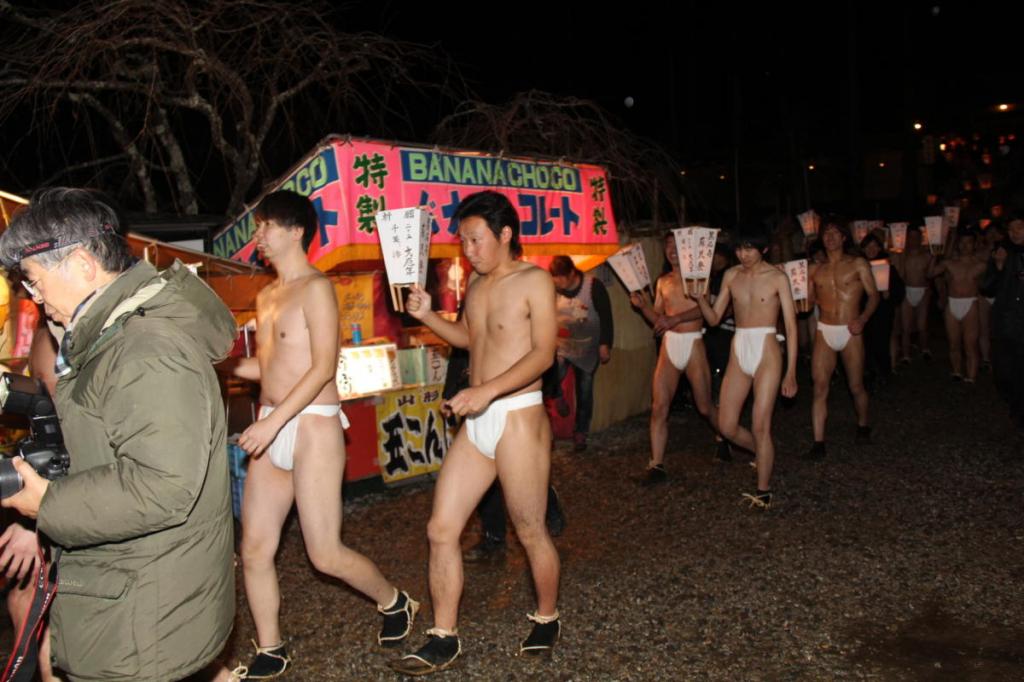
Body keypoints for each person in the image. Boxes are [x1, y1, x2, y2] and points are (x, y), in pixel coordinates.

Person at [0, 187, 236, 680]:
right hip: (135, 592)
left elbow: (162, 485)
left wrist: (48, 504)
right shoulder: (113, 339)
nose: (34, 297)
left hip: (142, 614)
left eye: (36, 281)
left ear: (84, 265)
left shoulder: (145, 348)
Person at [226, 190, 417, 679]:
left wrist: (271, 422)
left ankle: (395, 601)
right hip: (273, 420)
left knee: (324, 553)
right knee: (254, 548)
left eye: (266, 226)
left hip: (311, 422)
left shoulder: (316, 288)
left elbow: (322, 367)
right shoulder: (266, 295)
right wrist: (218, 365)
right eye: (258, 227)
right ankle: (271, 647)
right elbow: (266, 366)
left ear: (294, 231)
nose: (259, 237)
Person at [392, 191, 561, 675]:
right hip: (479, 415)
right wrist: (428, 317)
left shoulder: (535, 281)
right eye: (463, 240)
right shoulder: (478, 285)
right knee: (440, 528)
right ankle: (444, 635)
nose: (467, 249)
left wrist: (485, 391)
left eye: (475, 238)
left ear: (505, 234)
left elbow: (543, 355)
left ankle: (546, 616)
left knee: (529, 529)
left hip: (518, 417)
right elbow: (472, 339)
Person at [694, 228, 798, 509]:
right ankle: (762, 453)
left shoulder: (777, 277)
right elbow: (714, 319)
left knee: (760, 423)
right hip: (739, 345)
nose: (743, 254)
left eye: (749, 248)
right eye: (739, 249)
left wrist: (791, 371)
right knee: (726, 425)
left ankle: (763, 491)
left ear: (763, 249)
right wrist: (701, 299)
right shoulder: (731, 275)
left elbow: (790, 325)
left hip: (767, 347)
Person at [629, 232, 727, 484]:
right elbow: (659, 319)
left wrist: (677, 319)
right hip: (669, 345)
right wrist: (643, 308)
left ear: (686, 249)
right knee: (659, 406)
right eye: (668, 246)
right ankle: (656, 464)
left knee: (704, 406)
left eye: (676, 245)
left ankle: (724, 436)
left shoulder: (698, 277)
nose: (672, 250)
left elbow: (706, 311)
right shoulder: (663, 281)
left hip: (693, 343)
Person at [805, 220, 879, 458]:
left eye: (835, 232)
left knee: (855, 385)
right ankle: (818, 443)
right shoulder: (815, 269)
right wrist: (803, 300)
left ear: (844, 238)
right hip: (825, 329)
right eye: (827, 233)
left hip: (850, 329)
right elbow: (805, 302)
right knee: (819, 387)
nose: (830, 237)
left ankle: (863, 425)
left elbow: (874, 295)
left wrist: (863, 319)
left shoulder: (857, 264)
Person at [548, 255, 614, 451]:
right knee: (552, 374)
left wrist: (605, 344)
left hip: (587, 349)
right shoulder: (552, 290)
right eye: (554, 277)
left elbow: (606, 316)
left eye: (560, 277)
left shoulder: (593, 286)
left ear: (572, 273)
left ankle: (580, 432)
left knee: (584, 390)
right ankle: (557, 396)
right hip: (562, 346)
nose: (557, 281)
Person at [980, 212, 1024, 429]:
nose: (1015, 233)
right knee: (1004, 370)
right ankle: (1013, 400)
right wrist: (998, 266)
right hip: (1005, 320)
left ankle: (1019, 411)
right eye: (1012, 229)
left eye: (1019, 228)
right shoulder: (1002, 252)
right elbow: (986, 287)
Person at [927, 228, 986, 382]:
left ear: (974, 245)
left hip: (970, 303)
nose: (965, 246)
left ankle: (971, 377)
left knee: (970, 344)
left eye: (969, 243)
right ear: (958, 244)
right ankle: (957, 372)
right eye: (962, 242)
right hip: (952, 303)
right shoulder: (949, 263)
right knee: (953, 343)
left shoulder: (980, 265)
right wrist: (935, 255)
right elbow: (930, 274)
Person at [859, 233, 904, 389]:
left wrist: (889, 294)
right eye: (868, 246)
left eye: (874, 246)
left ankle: (884, 374)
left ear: (879, 247)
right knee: (866, 344)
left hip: (883, 312)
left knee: (882, 342)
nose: (871, 249)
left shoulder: (888, 267)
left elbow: (899, 290)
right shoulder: (858, 266)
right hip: (864, 312)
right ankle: (868, 374)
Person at [893, 226, 933, 363]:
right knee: (905, 326)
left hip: (923, 290)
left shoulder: (928, 254)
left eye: (917, 237)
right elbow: (900, 274)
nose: (914, 240)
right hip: (907, 290)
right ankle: (905, 355)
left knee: (922, 325)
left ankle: (925, 348)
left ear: (921, 238)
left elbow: (931, 274)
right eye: (911, 237)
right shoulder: (902, 254)